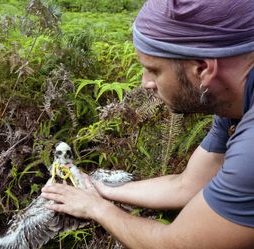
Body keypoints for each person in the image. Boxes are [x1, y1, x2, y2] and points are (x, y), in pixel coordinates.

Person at [41, 0, 254, 248]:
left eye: (154, 70)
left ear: (203, 68)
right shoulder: (232, 102)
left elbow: (177, 244)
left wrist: (96, 209)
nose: (146, 83)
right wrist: (100, 189)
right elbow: (188, 185)